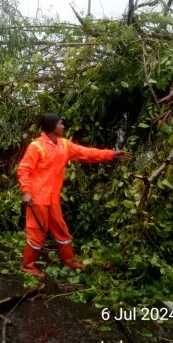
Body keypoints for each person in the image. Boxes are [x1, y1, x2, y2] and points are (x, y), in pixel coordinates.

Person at [17, 113, 132, 277]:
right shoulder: (36, 147)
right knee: (37, 232)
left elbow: (87, 153)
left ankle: (69, 261)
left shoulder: (64, 145)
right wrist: (26, 191)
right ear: (51, 127)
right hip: (37, 198)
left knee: (61, 229)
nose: (63, 126)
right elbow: (24, 170)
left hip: (53, 198)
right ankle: (28, 266)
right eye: (60, 124)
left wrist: (112, 154)